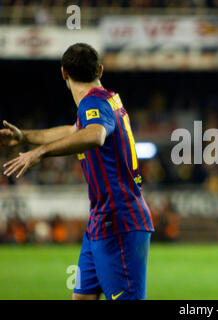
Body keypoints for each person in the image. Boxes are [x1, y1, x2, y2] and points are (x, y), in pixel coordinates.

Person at [1, 43, 154, 300]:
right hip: (101, 220)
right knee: (82, 297)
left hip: (119, 220)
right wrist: (25, 136)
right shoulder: (108, 99)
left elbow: (95, 135)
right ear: (100, 69)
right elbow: (76, 131)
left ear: (64, 73)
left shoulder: (91, 103)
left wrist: (41, 152)